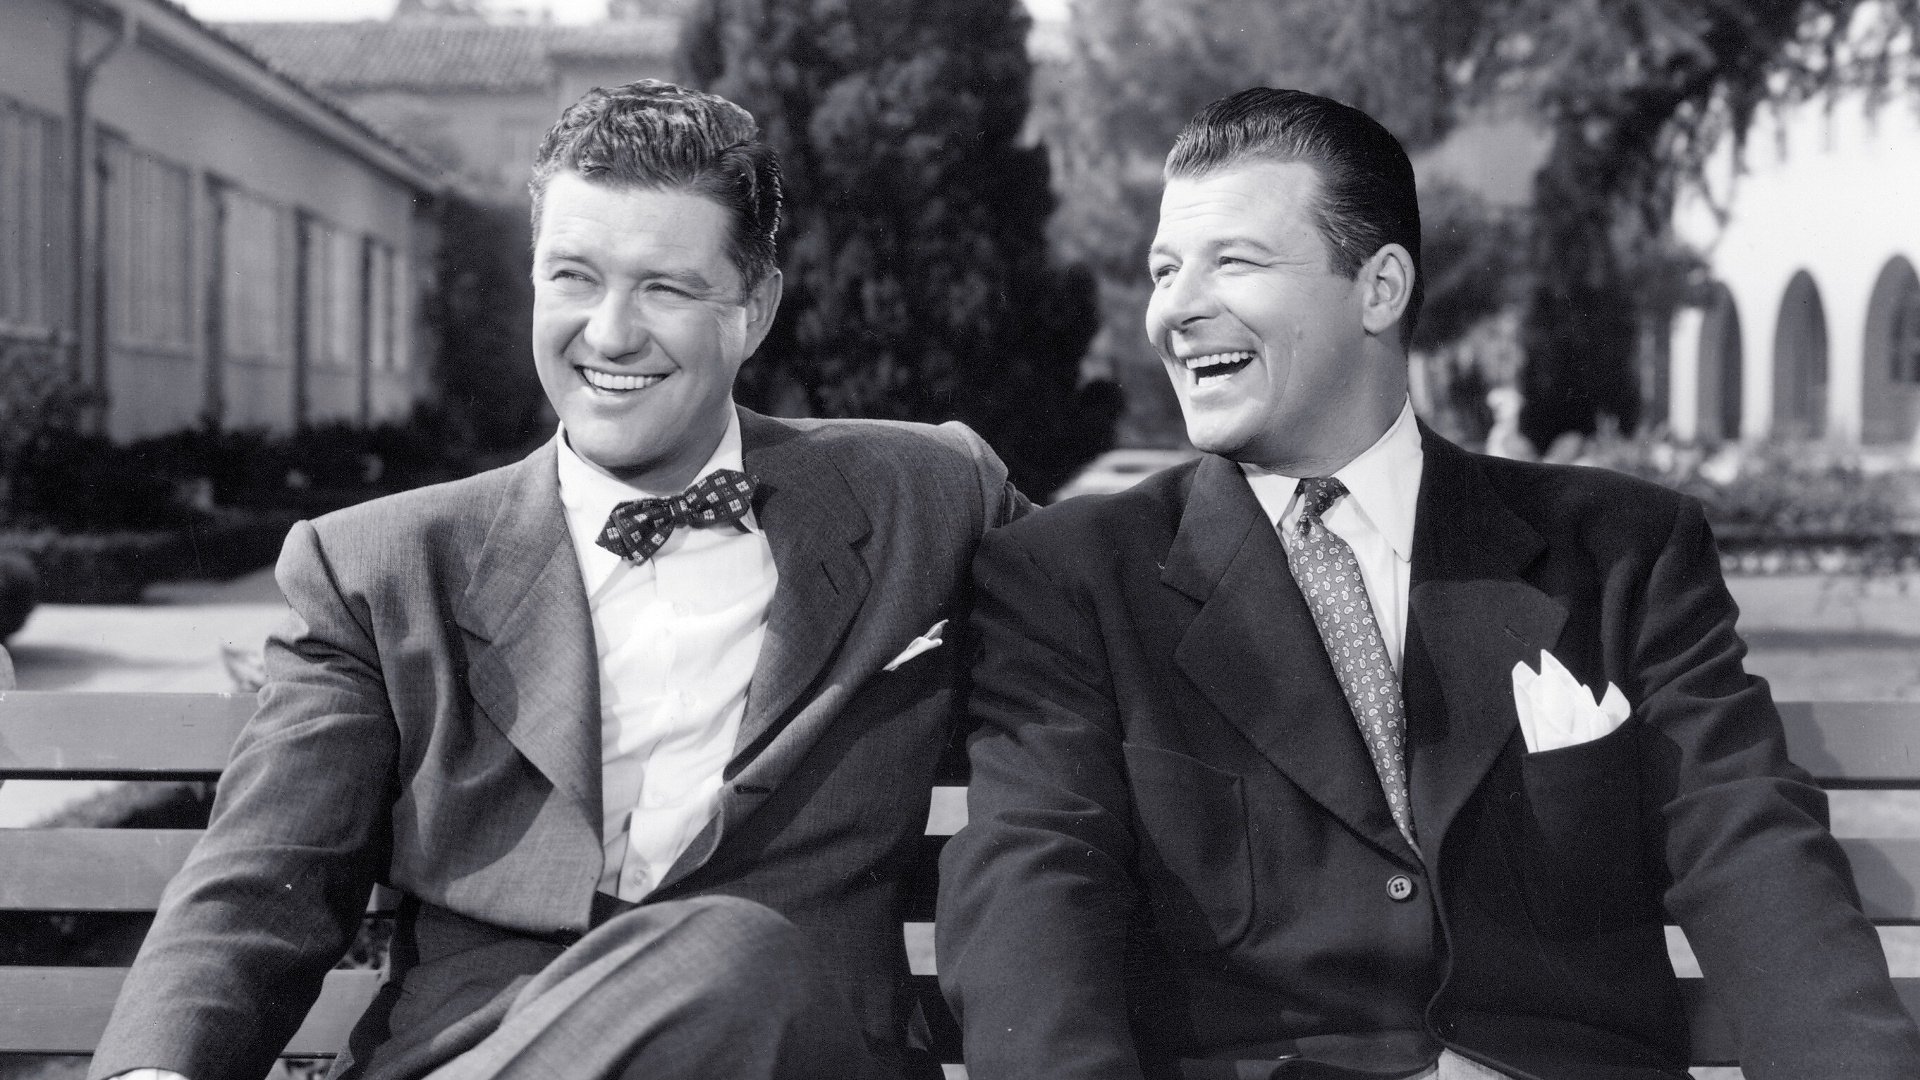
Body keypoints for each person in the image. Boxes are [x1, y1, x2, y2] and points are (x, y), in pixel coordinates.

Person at [937, 87, 1920, 1080]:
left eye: (1233, 261)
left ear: (1380, 288)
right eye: (1164, 269)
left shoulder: (1623, 552)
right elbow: (1033, 905)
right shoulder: (1071, 580)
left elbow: (1753, 853)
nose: (1176, 310)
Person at [90, 80, 1025, 1080]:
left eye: (664, 288)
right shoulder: (382, 569)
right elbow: (263, 875)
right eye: (575, 277)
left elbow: (1116, 611)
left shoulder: (924, 495)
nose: (610, 333)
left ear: (754, 312)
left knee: (738, 952)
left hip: (797, 1044)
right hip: (494, 1052)